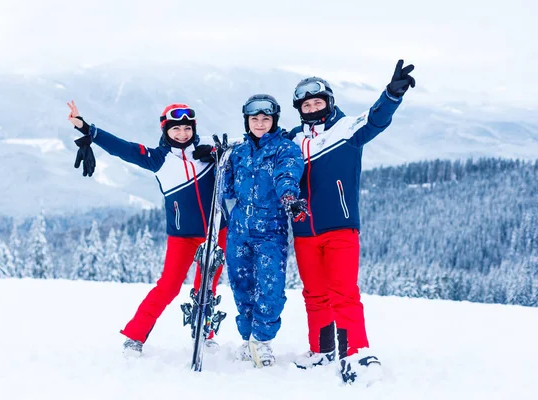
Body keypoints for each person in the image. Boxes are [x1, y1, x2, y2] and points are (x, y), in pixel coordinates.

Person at [66, 100, 229, 358]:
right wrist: (88, 129)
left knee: (206, 287)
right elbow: (124, 149)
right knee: (168, 287)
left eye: (187, 128)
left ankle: (204, 335)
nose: (182, 133)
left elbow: (241, 151)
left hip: (216, 232)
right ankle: (135, 336)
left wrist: (217, 152)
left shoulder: (209, 149)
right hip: (182, 236)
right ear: (166, 130)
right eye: (176, 129)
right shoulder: (158, 159)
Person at [286, 60, 416, 382]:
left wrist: (391, 95)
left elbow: (375, 120)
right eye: (307, 104)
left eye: (318, 101)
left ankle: (356, 353)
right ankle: (322, 350)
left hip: (341, 228)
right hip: (304, 232)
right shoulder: (290, 140)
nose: (313, 107)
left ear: (328, 103)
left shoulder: (345, 130)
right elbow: (258, 146)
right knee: (314, 294)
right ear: (300, 109)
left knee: (343, 294)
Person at [220, 94, 307, 368]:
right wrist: (219, 162)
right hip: (239, 230)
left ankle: (262, 340)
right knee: (241, 286)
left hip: (270, 230)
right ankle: (248, 339)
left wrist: (289, 197)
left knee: (271, 287)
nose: (259, 123)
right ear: (247, 121)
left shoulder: (285, 149)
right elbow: (227, 190)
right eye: (254, 118)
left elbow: (287, 176)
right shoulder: (238, 152)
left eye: (265, 119)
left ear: (274, 121)